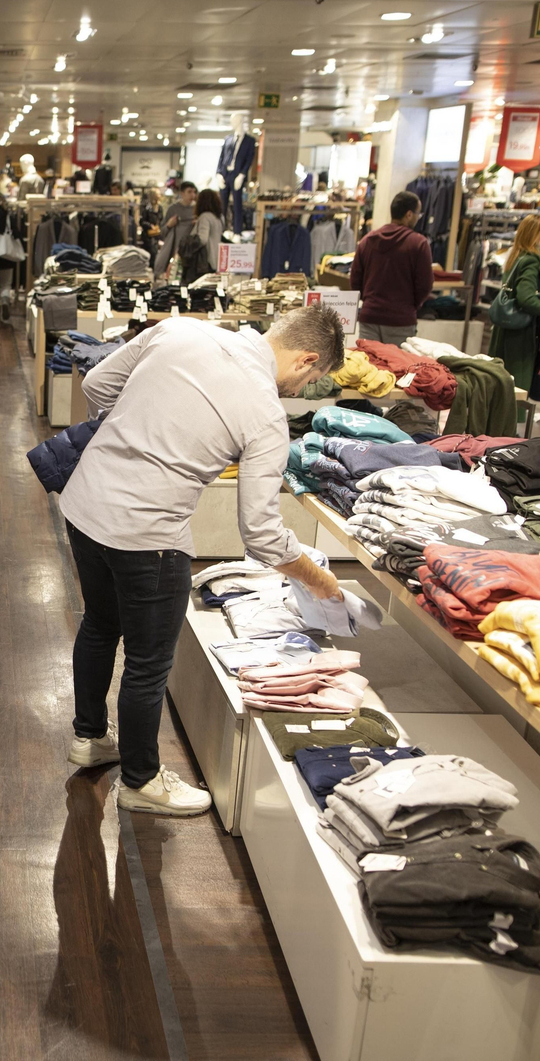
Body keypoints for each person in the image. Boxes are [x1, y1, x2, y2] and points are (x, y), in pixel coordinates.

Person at [58, 307, 346, 815]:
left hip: (85, 504)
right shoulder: (264, 411)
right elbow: (260, 533)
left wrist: (139, 427)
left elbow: (98, 383)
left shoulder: (179, 330)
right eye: (313, 380)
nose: (302, 390)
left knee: (101, 624)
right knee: (148, 665)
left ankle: (89, 738)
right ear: (308, 359)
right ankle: (142, 782)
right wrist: (319, 579)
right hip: (150, 535)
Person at [488, 213, 540, 394]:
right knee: (515, 388)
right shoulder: (531, 259)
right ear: (535, 235)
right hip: (520, 335)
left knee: (499, 384)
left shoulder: (516, 255)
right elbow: (526, 298)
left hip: (507, 329)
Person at [351, 190, 435, 345]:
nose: (418, 218)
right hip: (401, 320)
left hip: (370, 316)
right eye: (418, 214)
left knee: (367, 366)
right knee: (399, 367)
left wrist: (370, 301)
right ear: (409, 214)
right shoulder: (418, 243)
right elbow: (425, 284)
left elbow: (355, 280)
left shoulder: (367, 241)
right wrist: (409, 306)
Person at [154, 181, 198, 278]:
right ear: (182, 193)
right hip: (175, 250)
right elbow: (162, 233)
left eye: (194, 192)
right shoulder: (173, 209)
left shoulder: (197, 208)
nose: (192, 195)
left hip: (192, 250)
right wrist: (169, 225)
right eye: (189, 192)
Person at [181, 188, 224, 284]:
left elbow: (202, 239)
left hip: (204, 263)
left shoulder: (205, 217)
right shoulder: (219, 218)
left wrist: (187, 243)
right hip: (216, 260)